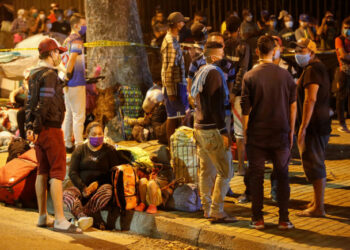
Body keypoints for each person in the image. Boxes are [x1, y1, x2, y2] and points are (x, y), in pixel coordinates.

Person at [25, 38, 81, 233]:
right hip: (50, 129)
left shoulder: (33, 74)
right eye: (58, 52)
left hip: (39, 131)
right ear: (51, 54)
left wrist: (30, 127)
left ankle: (42, 216)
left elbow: (30, 102)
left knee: (42, 170)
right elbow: (45, 103)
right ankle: (59, 218)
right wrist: (38, 126)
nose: (60, 56)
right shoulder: (49, 74)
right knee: (57, 173)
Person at [241, 35, 297, 230]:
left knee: (256, 176)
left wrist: (246, 132)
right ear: (274, 51)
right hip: (280, 132)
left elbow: (245, 109)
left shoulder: (249, 76)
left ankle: (257, 218)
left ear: (257, 52)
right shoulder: (286, 76)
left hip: (257, 133)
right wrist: (291, 131)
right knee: (282, 175)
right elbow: (293, 106)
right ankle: (284, 219)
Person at [191, 41, 236, 223]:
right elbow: (216, 107)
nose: (223, 57)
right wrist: (224, 131)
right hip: (211, 130)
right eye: (222, 53)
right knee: (226, 171)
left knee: (206, 170)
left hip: (199, 128)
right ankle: (217, 210)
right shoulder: (215, 74)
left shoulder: (200, 71)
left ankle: (207, 208)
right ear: (215, 56)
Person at [63, 122, 126, 230]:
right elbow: (72, 173)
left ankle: (83, 214)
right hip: (82, 189)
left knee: (107, 191)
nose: (97, 137)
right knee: (66, 194)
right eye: (94, 134)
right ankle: (83, 217)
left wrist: (97, 184)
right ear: (87, 135)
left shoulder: (109, 150)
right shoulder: (80, 150)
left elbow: (113, 173)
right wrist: (83, 187)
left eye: (100, 134)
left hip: (100, 189)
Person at [294, 38, 331, 217]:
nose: (297, 54)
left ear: (312, 52)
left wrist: (303, 127)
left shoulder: (312, 71)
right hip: (321, 124)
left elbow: (311, 99)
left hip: (314, 125)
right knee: (316, 162)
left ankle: (318, 208)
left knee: (314, 164)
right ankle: (317, 201)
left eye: (302, 51)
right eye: (297, 50)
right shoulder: (317, 68)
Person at [224, 15, 250, 176]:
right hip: (238, 94)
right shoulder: (244, 47)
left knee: (225, 130)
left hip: (225, 93)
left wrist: (228, 92)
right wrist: (234, 92)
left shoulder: (224, 46)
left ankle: (227, 167)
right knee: (240, 132)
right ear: (239, 29)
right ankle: (240, 167)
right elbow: (243, 70)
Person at [161, 12, 189, 144]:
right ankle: (182, 147)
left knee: (172, 116)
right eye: (182, 22)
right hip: (175, 85)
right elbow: (169, 68)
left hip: (174, 84)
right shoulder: (170, 42)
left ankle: (174, 147)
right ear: (177, 24)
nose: (184, 24)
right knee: (183, 115)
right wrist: (171, 91)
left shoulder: (173, 39)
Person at [62, 14, 87, 153]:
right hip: (75, 81)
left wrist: (65, 78)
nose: (85, 27)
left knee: (69, 113)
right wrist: (68, 76)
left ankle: (67, 143)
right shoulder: (77, 39)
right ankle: (79, 147)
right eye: (84, 24)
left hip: (68, 83)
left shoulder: (67, 40)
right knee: (79, 115)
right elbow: (72, 59)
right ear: (76, 25)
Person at [335, 17, 350, 132]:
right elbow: (343, 55)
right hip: (343, 71)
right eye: (345, 28)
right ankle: (341, 123)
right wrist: (345, 55)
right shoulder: (339, 39)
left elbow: (345, 55)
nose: (347, 30)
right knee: (341, 97)